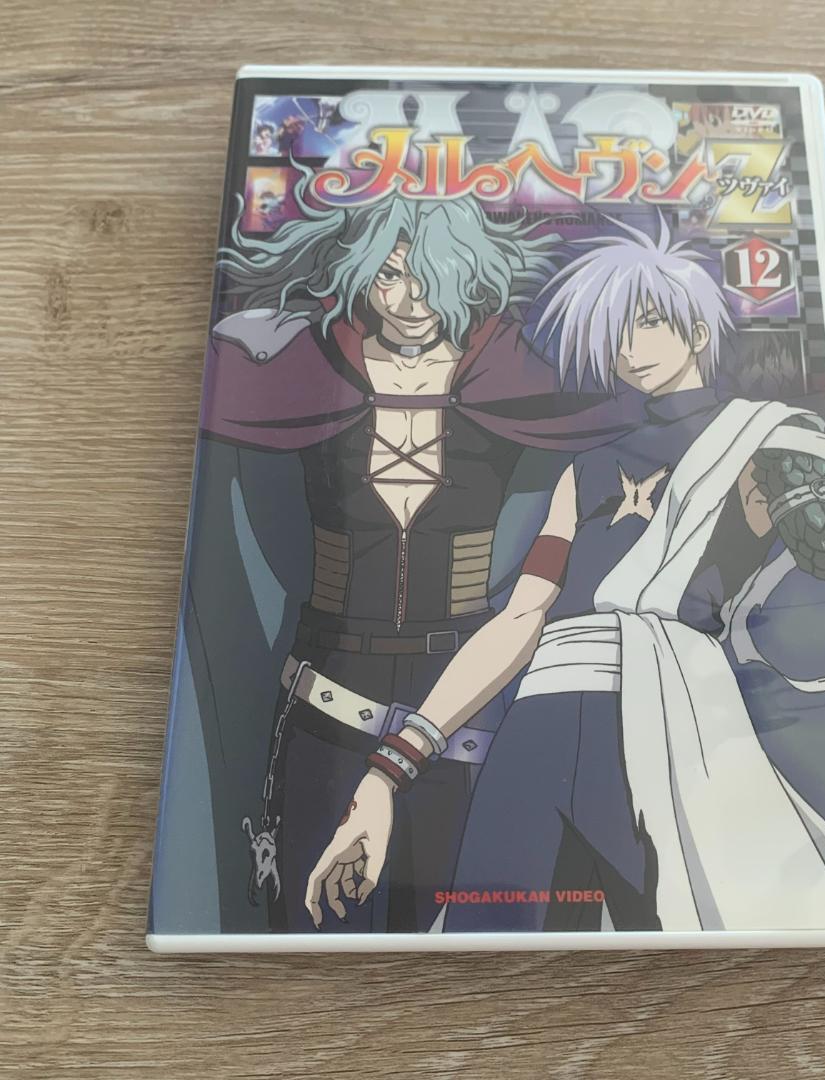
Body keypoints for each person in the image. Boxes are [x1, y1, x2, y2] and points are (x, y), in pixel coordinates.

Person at [305, 216, 825, 933]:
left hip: (671, 717)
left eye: (648, 322)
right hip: (542, 713)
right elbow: (522, 618)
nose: (630, 349)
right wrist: (387, 772)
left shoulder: (768, 444)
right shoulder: (584, 470)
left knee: (683, 934)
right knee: (489, 933)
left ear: (697, 331)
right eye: (615, 333)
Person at [190, 165, 641, 934]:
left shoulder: (517, 378)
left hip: (465, 714)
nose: (410, 301)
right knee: (309, 935)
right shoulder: (305, 373)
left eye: (432, 277)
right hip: (323, 714)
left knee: (455, 944)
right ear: (361, 273)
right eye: (390, 276)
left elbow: (629, 403)